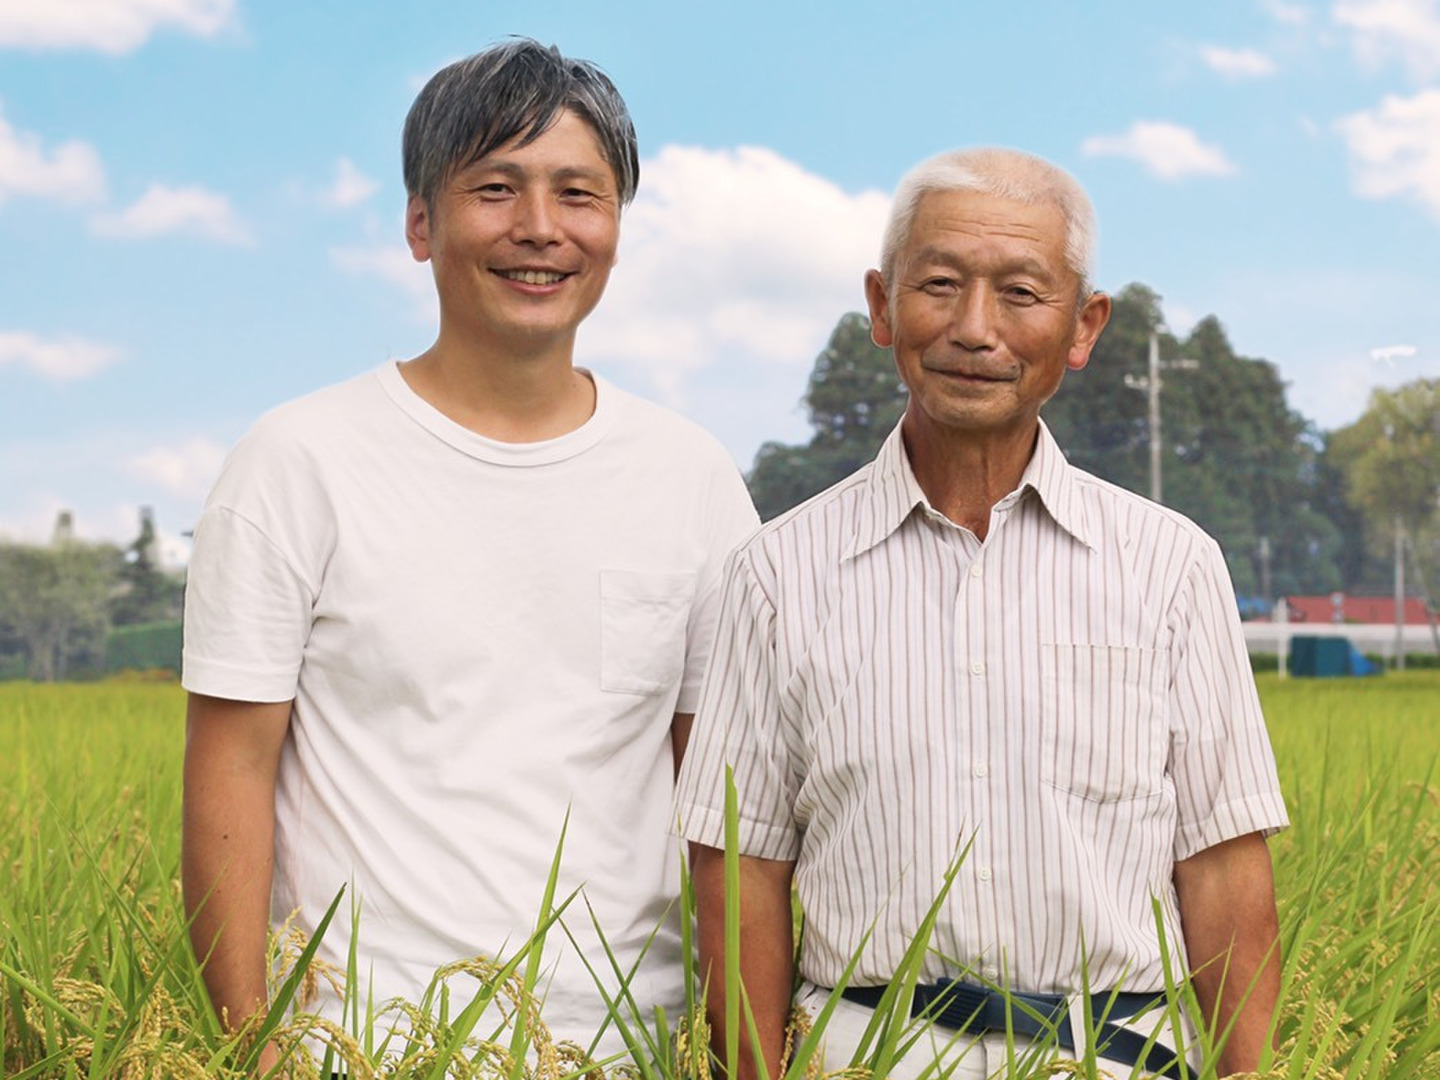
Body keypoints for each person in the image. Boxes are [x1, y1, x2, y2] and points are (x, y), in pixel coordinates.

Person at [181, 38, 758, 1065]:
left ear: (617, 224)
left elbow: (724, 800)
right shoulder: (297, 461)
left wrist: (732, 1050)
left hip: (626, 1045)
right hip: (358, 1044)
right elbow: (230, 770)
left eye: (578, 193)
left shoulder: (692, 476)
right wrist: (251, 1047)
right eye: (495, 188)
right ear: (420, 222)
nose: (540, 227)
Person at [675, 147, 1288, 1080]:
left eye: (1020, 293)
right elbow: (741, 867)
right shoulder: (776, 574)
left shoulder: (1172, 568)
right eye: (939, 284)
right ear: (882, 306)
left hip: (1117, 1054)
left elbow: (1223, 867)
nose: (974, 328)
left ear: (1083, 327)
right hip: (867, 1052)